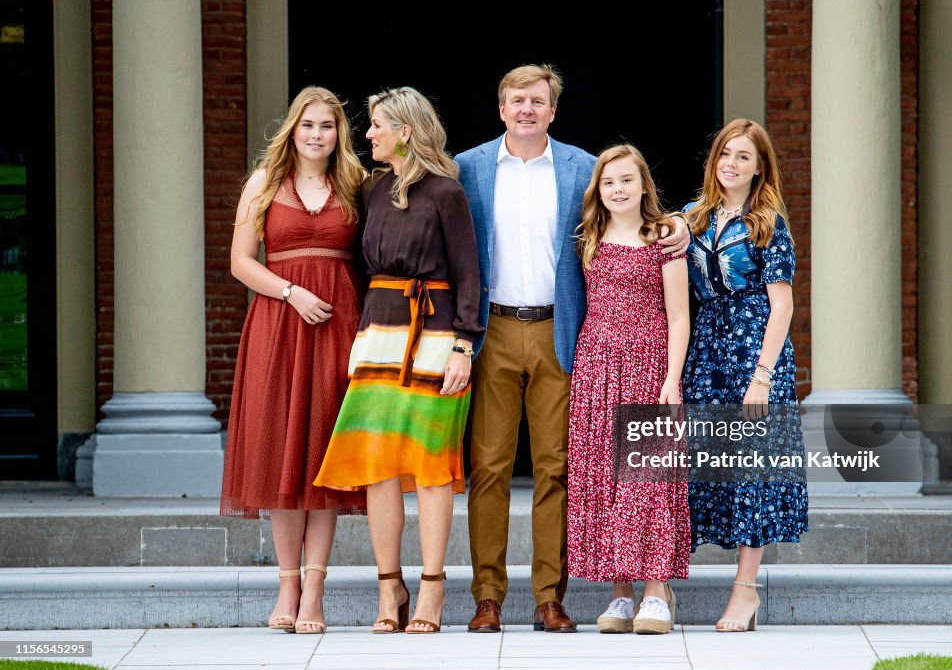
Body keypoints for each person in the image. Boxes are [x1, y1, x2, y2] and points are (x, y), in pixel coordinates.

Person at [456, 64, 690, 634]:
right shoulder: (469, 168)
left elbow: (634, 211)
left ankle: (548, 597)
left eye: (538, 101)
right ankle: (488, 596)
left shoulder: (584, 167)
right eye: (518, 100)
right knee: (487, 467)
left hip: (564, 333)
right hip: (494, 328)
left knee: (556, 468)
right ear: (501, 107)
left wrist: (681, 223)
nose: (527, 109)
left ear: (553, 110)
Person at [314, 87, 481, 635]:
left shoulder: (446, 191)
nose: (368, 134)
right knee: (378, 468)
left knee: (433, 468)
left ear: (405, 131)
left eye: (378, 124)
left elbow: (468, 274)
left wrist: (463, 344)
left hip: (435, 339)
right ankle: (391, 587)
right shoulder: (369, 188)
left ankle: (432, 590)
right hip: (378, 336)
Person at [220, 86, 367, 635]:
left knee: (322, 457)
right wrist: (289, 293)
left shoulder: (353, 184)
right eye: (308, 125)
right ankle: (286, 582)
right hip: (279, 327)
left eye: (327, 126)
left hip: (338, 327)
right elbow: (240, 261)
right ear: (292, 128)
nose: (316, 135)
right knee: (281, 451)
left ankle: (315, 590)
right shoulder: (263, 183)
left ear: (339, 134)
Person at [682, 118, 808, 632]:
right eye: (724, 154)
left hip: (756, 349)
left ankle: (746, 590)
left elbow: (783, 305)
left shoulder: (767, 223)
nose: (730, 163)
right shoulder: (692, 218)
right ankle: (662, 581)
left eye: (743, 157)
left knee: (754, 468)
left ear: (760, 169)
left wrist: (762, 374)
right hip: (706, 349)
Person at [567, 144, 691, 635]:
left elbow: (680, 316)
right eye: (608, 182)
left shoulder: (664, 237)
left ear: (644, 185)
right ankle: (619, 592)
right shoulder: (589, 237)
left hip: (649, 364)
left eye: (626, 180)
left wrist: (672, 377)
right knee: (603, 478)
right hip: (596, 366)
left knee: (648, 478)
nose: (617, 189)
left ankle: (657, 590)